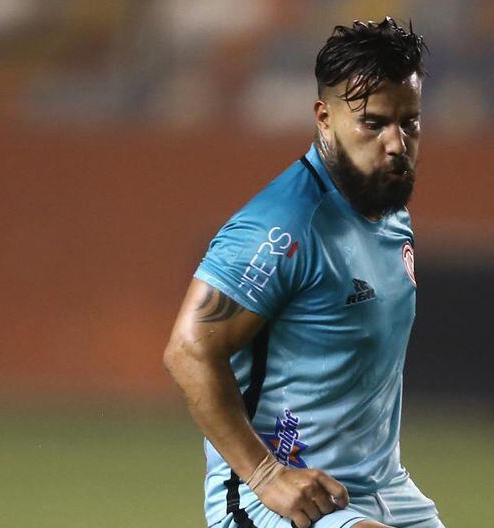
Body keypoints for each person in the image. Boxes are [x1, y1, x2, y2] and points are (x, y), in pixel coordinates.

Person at [163, 17, 442, 528]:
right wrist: (267, 475)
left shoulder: (388, 210)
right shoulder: (281, 225)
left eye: (410, 123)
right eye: (374, 123)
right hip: (276, 500)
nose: (397, 144)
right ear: (324, 118)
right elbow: (189, 350)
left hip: (383, 490)